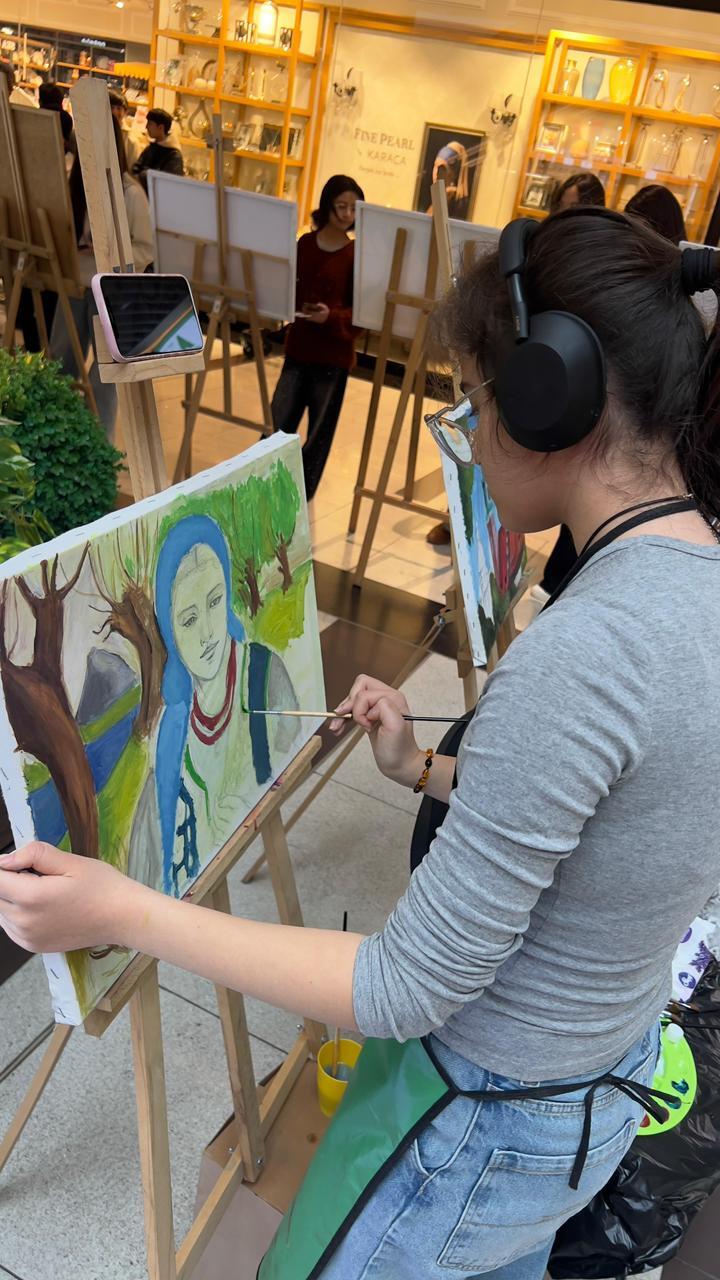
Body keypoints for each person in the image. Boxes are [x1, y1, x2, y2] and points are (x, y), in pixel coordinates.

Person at [2, 212, 720, 1280]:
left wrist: (122, 911)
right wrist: (425, 770)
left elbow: (399, 988)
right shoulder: (697, 579)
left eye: (476, 400)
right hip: (593, 1093)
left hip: (486, 1124)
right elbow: (622, 813)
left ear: (549, 400)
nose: (470, 433)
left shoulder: (588, 651)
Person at [127, 514, 300, 897]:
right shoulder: (172, 736)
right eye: (188, 620)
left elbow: (291, 747)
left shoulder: (263, 675)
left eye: (215, 601)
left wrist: (253, 791)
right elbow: (145, 868)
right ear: (170, 630)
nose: (207, 633)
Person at [527, 170, 608, 602]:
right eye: (560, 207)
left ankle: (558, 579)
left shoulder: (596, 260)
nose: (562, 216)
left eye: (571, 208)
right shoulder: (547, 251)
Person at [49, 116, 154, 436]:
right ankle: (57, 434)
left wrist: (108, 256)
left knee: (105, 376)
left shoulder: (129, 193)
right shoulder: (74, 184)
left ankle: (98, 444)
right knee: (60, 363)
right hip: (75, 284)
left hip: (111, 292)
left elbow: (145, 249)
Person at [271, 174, 364, 501]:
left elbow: (361, 314)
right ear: (327, 205)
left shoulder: (356, 255)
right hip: (299, 349)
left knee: (318, 436)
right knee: (278, 422)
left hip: (333, 359)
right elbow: (289, 290)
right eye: (341, 206)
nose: (347, 214)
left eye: (353, 208)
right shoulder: (306, 245)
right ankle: (267, 484)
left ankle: (301, 496)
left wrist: (331, 317)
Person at [132, 107, 184, 193]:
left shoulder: (174, 156)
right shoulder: (151, 147)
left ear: (160, 127)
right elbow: (136, 168)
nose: (146, 127)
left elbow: (166, 182)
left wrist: (144, 175)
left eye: (150, 123)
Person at [108, 89, 141, 171]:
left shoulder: (131, 140)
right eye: (111, 107)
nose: (114, 112)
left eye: (119, 108)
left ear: (125, 112)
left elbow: (131, 172)